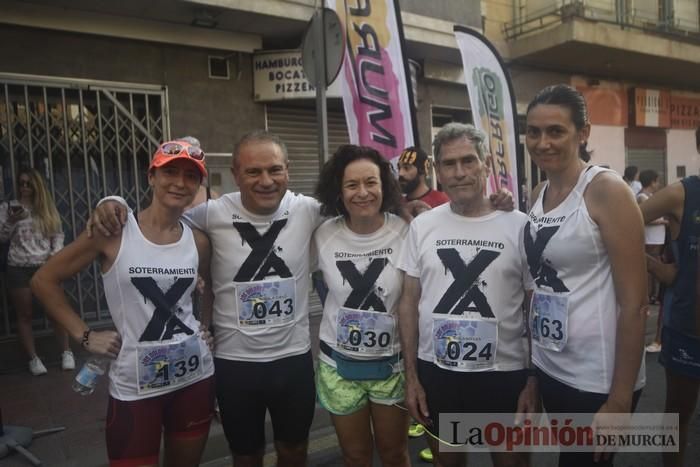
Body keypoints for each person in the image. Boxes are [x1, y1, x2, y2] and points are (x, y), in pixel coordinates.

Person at [88, 130, 515, 467]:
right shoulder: (219, 214)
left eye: (274, 169)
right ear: (235, 175)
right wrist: (112, 203)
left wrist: (493, 204)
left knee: (312, 454)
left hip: (306, 362)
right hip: (243, 366)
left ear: (288, 170)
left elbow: (404, 236)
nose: (265, 180)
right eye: (253, 172)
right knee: (250, 456)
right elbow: (165, 210)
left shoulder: (340, 217)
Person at [31, 140, 216, 467]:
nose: (179, 182)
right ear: (151, 177)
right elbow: (44, 281)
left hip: (194, 379)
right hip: (134, 389)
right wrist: (85, 336)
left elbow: (206, 285)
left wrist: (207, 324)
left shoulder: (197, 239)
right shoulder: (113, 229)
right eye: (169, 172)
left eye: (190, 176)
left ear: (198, 185)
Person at [398, 122, 537, 467]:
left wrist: (534, 379)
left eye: (469, 161)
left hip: (505, 373)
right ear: (438, 173)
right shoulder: (422, 226)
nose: (460, 172)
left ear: (486, 166)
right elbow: (408, 303)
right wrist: (412, 376)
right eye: (449, 164)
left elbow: (535, 306)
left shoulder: (519, 225)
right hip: (438, 373)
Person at [524, 84, 646, 466]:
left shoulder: (606, 190)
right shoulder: (538, 193)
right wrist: (532, 372)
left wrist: (619, 399)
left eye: (555, 131)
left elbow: (636, 304)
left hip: (597, 377)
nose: (543, 142)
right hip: (550, 364)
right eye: (533, 131)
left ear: (583, 133)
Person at [313, 144, 410, 467]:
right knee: (355, 456)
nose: (363, 192)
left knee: (395, 454)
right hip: (338, 365)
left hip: (392, 365)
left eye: (371, 182)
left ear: (384, 185)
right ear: (338, 192)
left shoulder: (407, 230)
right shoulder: (322, 233)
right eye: (352, 185)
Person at [639, 174, 700, 467]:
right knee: (679, 413)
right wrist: (655, 267)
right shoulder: (681, 194)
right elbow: (618, 222)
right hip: (689, 330)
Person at [0, 168, 71, 375]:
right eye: (21, 183)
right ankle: (33, 358)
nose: (24, 188)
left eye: (28, 184)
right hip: (18, 268)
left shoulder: (46, 209)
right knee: (25, 314)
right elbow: (2, 238)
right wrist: (12, 221)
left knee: (55, 311)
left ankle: (67, 351)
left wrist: (54, 255)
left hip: (45, 267)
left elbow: (57, 235)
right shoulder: (8, 208)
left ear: (36, 186)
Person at [637, 169, 667, 307]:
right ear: (652, 182)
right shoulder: (642, 197)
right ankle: (649, 295)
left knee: (655, 266)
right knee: (650, 268)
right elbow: (642, 218)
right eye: (657, 181)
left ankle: (653, 295)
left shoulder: (650, 196)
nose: (658, 184)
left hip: (657, 238)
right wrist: (663, 222)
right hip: (650, 239)